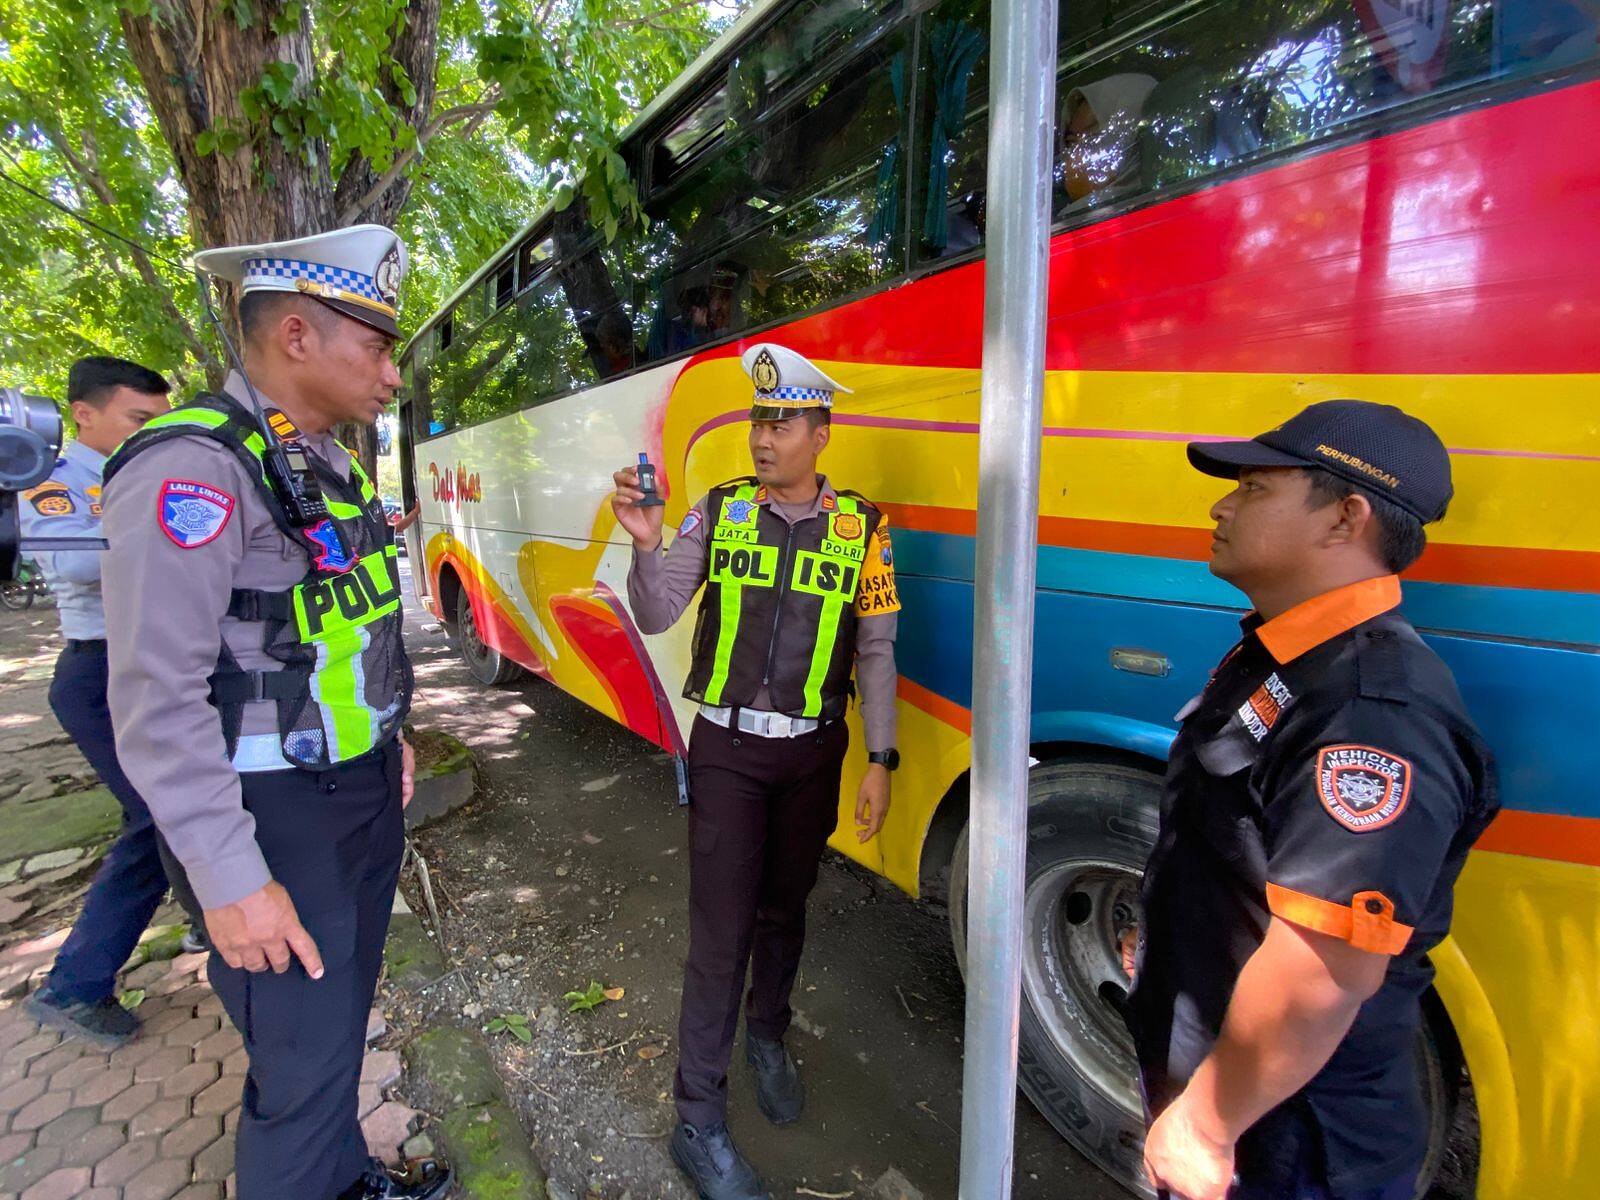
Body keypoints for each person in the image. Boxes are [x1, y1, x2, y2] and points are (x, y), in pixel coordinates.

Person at [98, 226, 450, 1200]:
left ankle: (342, 1177)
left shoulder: (318, 462)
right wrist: (230, 878)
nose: (391, 375)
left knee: (330, 1035)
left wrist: (389, 728)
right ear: (297, 334)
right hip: (272, 822)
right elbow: (155, 702)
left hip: (359, 792)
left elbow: (338, 622)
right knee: (298, 1072)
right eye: (377, 348)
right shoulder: (192, 471)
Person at [1126, 400, 1500, 1200]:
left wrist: (1204, 1124)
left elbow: (1322, 971)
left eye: (1255, 488)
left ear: (1346, 518)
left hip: (1291, 1138)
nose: (1221, 505)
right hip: (1234, 1085)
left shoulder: (1372, 711)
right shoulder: (1287, 652)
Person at [612, 343, 901, 1200]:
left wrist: (881, 758)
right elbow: (661, 607)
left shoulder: (863, 530)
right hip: (730, 753)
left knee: (786, 909)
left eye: (781, 422)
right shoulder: (719, 510)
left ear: (822, 432)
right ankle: (697, 1119)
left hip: (815, 752)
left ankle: (766, 1035)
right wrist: (647, 542)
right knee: (721, 930)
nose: (762, 436)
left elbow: (878, 651)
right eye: (756, 419)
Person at [21, 356, 209, 1050]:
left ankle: (203, 919)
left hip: (153, 664)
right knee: (154, 813)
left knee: (180, 803)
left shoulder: (130, 474)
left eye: (161, 422)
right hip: (100, 673)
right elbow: (66, 558)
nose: (150, 434)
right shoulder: (53, 476)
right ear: (85, 414)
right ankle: (75, 984)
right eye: (140, 420)